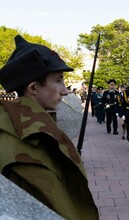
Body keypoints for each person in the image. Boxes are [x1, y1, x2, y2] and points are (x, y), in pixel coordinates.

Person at [0, 35, 99, 219]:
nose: (66, 90)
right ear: (33, 88)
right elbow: (58, 207)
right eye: (58, 80)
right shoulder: (30, 139)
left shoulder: (18, 121)